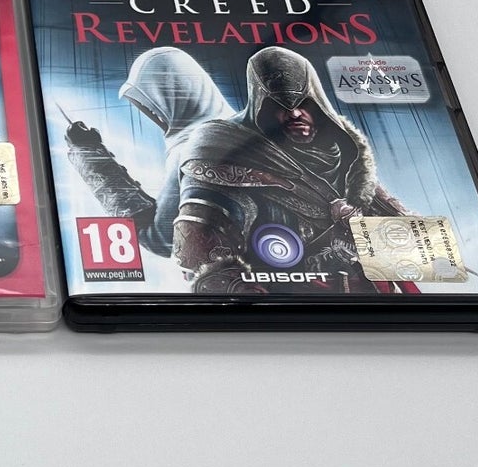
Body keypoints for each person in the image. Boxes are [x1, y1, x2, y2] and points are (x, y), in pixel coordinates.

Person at [170, 48, 415, 293]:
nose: (294, 114)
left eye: (303, 104)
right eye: (279, 106)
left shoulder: (348, 158)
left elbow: (412, 244)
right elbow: (197, 252)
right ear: (261, 107)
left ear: (318, 103)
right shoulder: (221, 145)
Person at [63, 46, 233, 256]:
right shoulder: (244, 129)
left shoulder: (190, 151)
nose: (150, 112)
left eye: (151, 102)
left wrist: (90, 155)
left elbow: (164, 240)